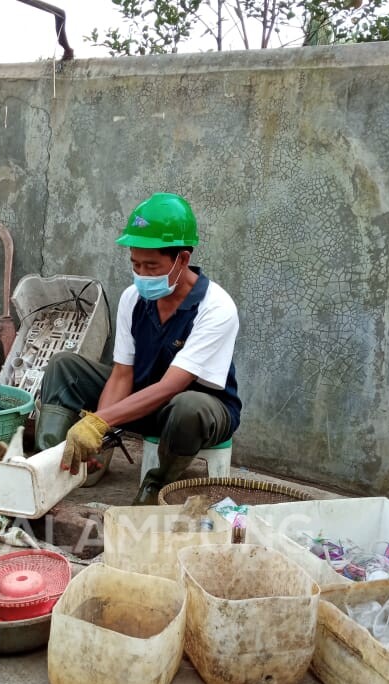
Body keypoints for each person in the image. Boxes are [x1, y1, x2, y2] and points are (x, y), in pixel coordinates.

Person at [36, 192, 242, 505]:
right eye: (135, 264)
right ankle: (58, 464)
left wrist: (99, 421)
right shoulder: (134, 299)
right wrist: (98, 431)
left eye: (151, 266)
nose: (142, 274)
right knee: (65, 367)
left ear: (182, 259)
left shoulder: (216, 307)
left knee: (188, 406)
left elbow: (171, 387)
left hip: (199, 413)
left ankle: (156, 486)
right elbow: (122, 374)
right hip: (143, 400)